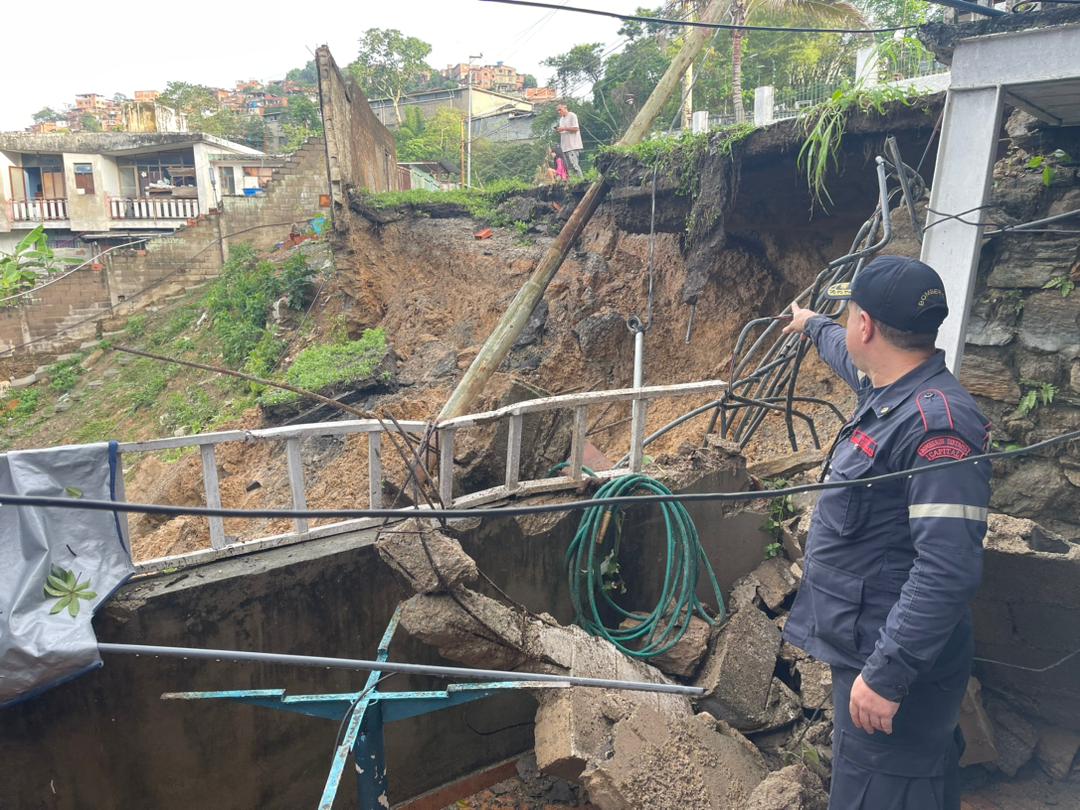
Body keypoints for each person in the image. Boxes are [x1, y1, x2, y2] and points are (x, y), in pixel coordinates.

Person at [780, 255, 992, 810]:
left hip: (892, 659)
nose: (847, 324)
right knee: (916, 786)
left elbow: (946, 570)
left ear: (867, 326)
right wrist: (811, 325)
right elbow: (842, 353)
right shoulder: (890, 388)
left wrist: (887, 674)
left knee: (879, 791)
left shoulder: (936, 426)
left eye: (849, 315)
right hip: (872, 642)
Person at [555, 103, 584, 177]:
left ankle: (581, 180)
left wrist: (564, 128)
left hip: (573, 146)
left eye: (560, 110)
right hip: (565, 147)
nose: (559, 112)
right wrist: (559, 130)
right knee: (569, 168)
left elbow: (576, 129)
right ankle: (573, 182)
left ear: (565, 108)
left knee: (575, 165)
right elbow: (564, 130)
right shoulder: (561, 119)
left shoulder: (572, 116)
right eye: (557, 110)